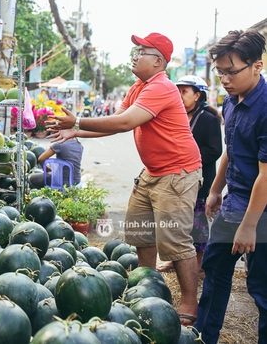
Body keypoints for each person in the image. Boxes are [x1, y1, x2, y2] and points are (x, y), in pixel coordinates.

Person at [47, 32, 203, 325]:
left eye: (141, 51)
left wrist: (78, 121)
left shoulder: (161, 87)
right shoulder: (139, 87)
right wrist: (76, 132)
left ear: (158, 61)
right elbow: (116, 124)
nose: (134, 56)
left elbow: (125, 122)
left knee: (175, 241)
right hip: (153, 172)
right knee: (141, 232)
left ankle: (189, 302)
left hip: (177, 173)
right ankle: (150, 288)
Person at [196, 30, 267, 343]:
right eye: (219, 71)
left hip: (260, 210)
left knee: (261, 287)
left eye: (231, 71)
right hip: (235, 201)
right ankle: (204, 335)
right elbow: (231, 149)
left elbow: (266, 175)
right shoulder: (230, 102)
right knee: (215, 268)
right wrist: (214, 190)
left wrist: (249, 226)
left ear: (257, 66)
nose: (224, 78)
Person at [157, 75, 223, 276]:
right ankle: (172, 261)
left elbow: (215, 150)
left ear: (197, 96)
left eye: (184, 91)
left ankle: (199, 265)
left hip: (199, 181)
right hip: (175, 179)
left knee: (197, 225)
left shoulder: (209, 119)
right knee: (176, 224)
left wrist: (186, 156)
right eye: (178, 90)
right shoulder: (175, 116)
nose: (179, 95)